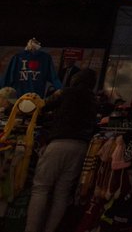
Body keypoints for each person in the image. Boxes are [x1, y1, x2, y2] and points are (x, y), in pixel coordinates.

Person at [24, 68, 98, 232]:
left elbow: (43, 106)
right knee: (62, 193)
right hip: (81, 147)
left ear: (75, 80)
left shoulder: (66, 93)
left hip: (59, 142)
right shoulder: (93, 100)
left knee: (41, 187)